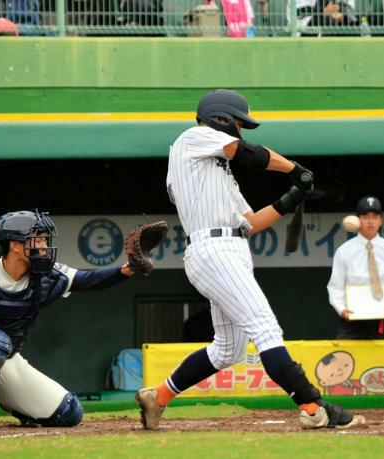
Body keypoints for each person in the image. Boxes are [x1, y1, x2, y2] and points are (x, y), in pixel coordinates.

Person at [135, 89, 365, 431]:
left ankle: (159, 397)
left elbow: (251, 223)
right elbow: (246, 152)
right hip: (214, 251)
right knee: (266, 329)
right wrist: (295, 168)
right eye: (239, 124)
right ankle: (315, 408)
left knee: (228, 350)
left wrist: (293, 196)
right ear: (221, 119)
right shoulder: (192, 138)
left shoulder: (217, 172)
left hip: (230, 250)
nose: (241, 132)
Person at [0, 210, 137, 430]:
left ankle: (15, 404)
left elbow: (87, 279)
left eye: (44, 239)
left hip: (4, 358)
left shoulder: (45, 276)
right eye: (39, 239)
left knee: (68, 413)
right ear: (15, 245)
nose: (44, 245)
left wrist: (128, 269)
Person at [327, 196, 384, 339]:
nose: (370, 221)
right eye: (365, 216)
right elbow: (335, 286)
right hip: (352, 318)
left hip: (382, 316)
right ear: (358, 220)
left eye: (375, 216)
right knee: (348, 359)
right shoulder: (344, 251)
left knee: (382, 360)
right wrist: (342, 309)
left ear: (381, 220)